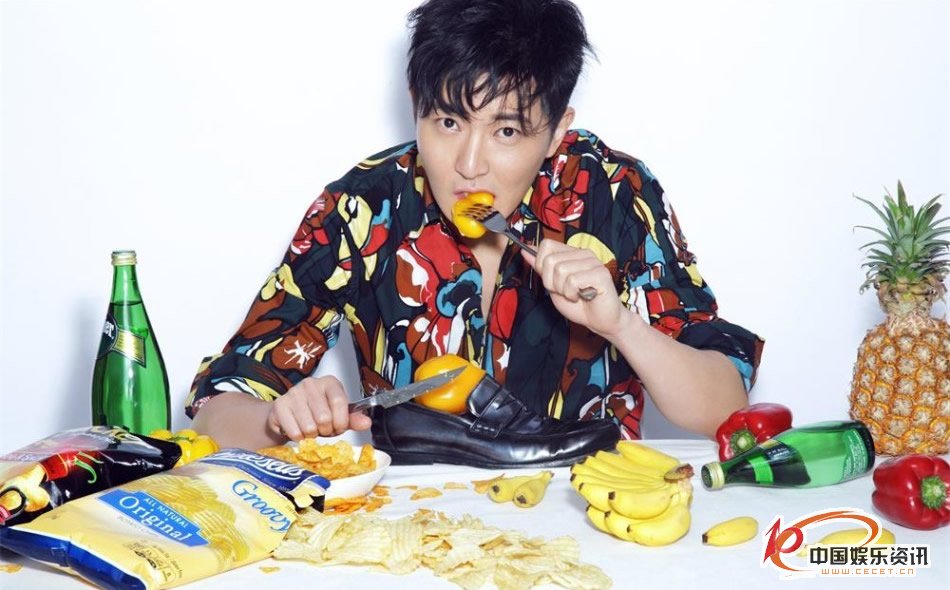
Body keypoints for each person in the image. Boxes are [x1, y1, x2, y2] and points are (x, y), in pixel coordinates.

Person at [187, 0, 763, 452]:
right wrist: (280, 419)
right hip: (416, 524)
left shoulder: (616, 192)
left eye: (506, 132)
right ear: (416, 102)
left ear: (557, 131)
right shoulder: (360, 207)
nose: (468, 165)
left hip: (596, 515)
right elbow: (218, 408)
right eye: (447, 122)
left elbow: (724, 407)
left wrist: (621, 326)